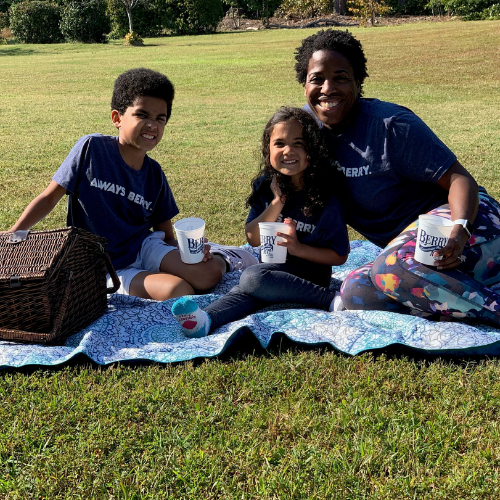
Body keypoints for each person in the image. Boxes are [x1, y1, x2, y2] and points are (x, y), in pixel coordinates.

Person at [294, 29, 500, 325]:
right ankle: (457, 293)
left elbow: (459, 178)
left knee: (388, 270)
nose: (328, 89)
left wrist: (460, 231)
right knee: (355, 293)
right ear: (304, 84)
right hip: (406, 254)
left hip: (469, 226)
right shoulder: (305, 132)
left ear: (358, 81)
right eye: (317, 78)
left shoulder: (391, 125)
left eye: (340, 77)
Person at [8, 68, 257, 301]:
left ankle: (222, 255)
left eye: (161, 118)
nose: (152, 125)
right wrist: (13, 234)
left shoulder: (154, 174)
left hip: (144, 246)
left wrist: (192, 254)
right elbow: (50, 197)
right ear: (117, 118)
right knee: (178, 290)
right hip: (106, 265)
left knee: (209, 274)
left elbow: (167, 236)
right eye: (142, 115)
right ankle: (192, 266)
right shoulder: (91, 149)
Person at [171, 107, 350, 337]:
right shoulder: (266, 185)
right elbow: (253, 239)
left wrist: (298, 248)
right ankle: (205, 320)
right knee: (250, 287)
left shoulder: (326, 196)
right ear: (268, 150)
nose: (288, 151)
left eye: (298, 143)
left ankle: (330, 300)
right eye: (279, 144)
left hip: (311, 277)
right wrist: (277, 202)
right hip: (271, 269)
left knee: (252, 278)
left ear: (312, 149)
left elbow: (339, 255)